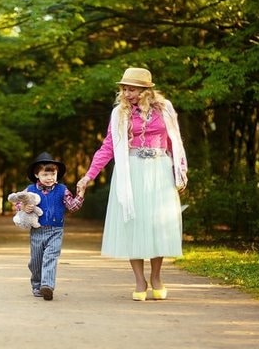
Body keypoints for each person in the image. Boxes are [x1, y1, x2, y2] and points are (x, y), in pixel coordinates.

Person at [76, 67, 187, 301]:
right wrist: (88, 176)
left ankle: (156, 276)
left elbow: (174, 140)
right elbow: (108, 146)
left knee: (158, 224)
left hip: (159, 169)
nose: (127, 93)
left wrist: (181, 170)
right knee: (133, 223)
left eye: (132, 89)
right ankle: (139, 279)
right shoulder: (120, 113)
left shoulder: (165, 109)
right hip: (132, 170)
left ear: (146, 89)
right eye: (124, 88)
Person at [17, 151, 85, 301]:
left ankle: (47, 286)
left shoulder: (62, 190)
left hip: (56, 230)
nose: (49, 178)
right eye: (45, 174)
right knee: (36, 261)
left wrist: (80, 194)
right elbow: (17, 201)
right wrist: (23, 207)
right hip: (37, 231)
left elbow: (72, 207)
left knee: (50, 257)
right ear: (37, 175)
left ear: (57, 174)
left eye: (52, 174)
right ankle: (37, 284)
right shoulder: (30, 190)